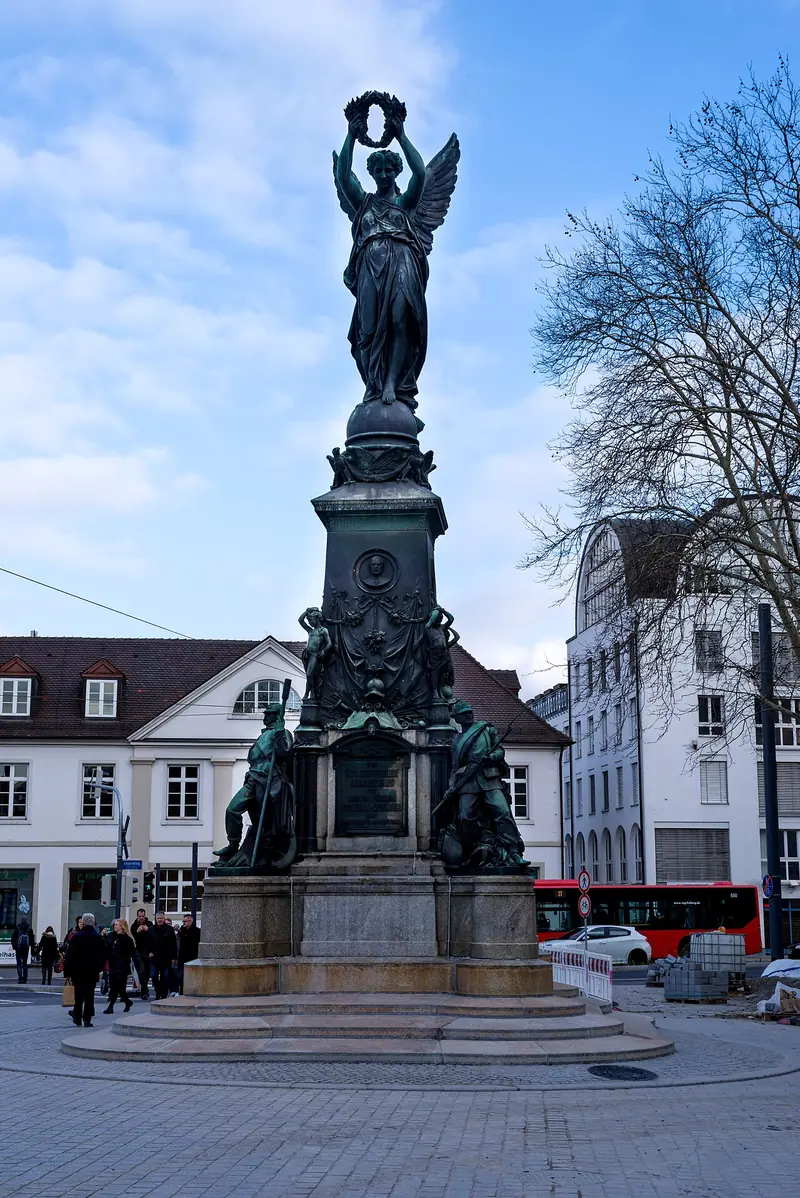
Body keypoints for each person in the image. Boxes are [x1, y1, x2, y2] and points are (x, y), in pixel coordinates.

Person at [64, 912, 107, 1028]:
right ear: (93, 923)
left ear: (83, 922)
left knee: (78, 995)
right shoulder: (97, 938)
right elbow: (103, 955)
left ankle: (77, 1017)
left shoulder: (77, 937)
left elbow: (70, 955)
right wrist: (99, 968)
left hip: (77, 970)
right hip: (91, 971)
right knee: (89, 995)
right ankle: (87, 1019)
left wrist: (67, 971)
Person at [103, 919, 135, 1014]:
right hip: (113, 964)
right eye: (115, 925)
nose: (115, 926)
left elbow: (130, 952)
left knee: (118, 987)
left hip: (122, 965)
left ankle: (111, 1006)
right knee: (115, 987)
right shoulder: (111, 936)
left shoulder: (126, 939)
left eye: (117, 925)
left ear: (122, 926)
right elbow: (107, 948)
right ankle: (127, 1002)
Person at [148, 911, 177, 1001]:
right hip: (154, 957)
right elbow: (147, 942)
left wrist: (174, 957)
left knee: (165, 976)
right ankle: (158, 991)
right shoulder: (151, 929)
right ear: (156, 919)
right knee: (153, 975)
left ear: (164, 919)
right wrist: (149, 952)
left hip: (166, 957)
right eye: (158, 918)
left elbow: (173, 944)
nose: (159, 920)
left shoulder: (169, 929)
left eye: (161, 918)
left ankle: (163, 994)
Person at [129, 908, 153, 1000]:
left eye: (143, 916)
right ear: (137, 916)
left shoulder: (150, 924)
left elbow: (153, 937)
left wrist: (148, 930)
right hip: (138, 952)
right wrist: (137, 932)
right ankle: (144, 991)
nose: (141, 918)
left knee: (147, 973)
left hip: (148, 952)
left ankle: (145, 989)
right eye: (140, 916)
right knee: (141, 971)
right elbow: (132, 938)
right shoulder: (134, 926)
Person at [175, 914, 201, 995]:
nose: (183, 923)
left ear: (190, 921)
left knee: (191, 977)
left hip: (192, 957)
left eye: (185, 921)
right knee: (182, 977)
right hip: (183, 958)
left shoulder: (197, 932)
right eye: (183, 921)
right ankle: (183, 992)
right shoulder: (182, 931)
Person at [11, 919, 34, 984]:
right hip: (26, 948)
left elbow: (13, 938)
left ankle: (20, 978)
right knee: (25, 963)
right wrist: (31, 946)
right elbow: (32, 939)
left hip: (18, 948)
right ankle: (25, 979)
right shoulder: (29, 928)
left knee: (19, 964)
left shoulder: (17, 928)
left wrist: (14, 946)